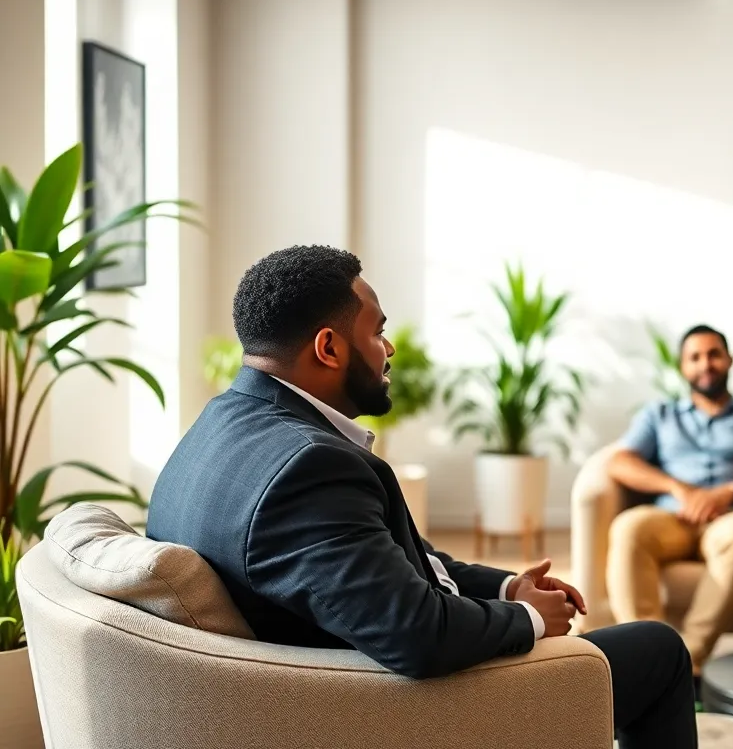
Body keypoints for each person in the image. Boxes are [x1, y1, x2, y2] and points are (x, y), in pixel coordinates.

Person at [146, 245, 697, 749]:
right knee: (659, 650)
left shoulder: (218, 426)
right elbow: (416, 635)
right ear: (329, 347)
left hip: (324, 681)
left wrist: (505, 584)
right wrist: (528, 615)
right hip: (394, 715)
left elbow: (388, 557)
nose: (388, 350)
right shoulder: (311, 468)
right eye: (377, 332)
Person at [605, 324, 733, 683]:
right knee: (628, 528)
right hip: (673, 518)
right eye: (694, 357)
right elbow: (620, 462)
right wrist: (680, 489)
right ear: (683, 367)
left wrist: (730, 491)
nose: (705, 364)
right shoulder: (659, 415)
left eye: (714, 354)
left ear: (728, 360)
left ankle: (685, 664)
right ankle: (646, 654)